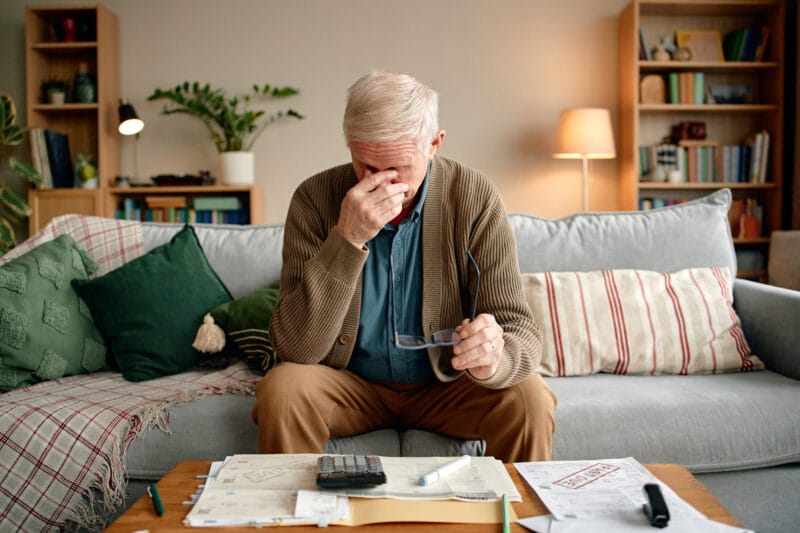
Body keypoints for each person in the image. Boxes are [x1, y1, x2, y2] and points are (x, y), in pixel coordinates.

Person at [251, 71, 556, 462]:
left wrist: (495, 357)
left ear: (434, 144)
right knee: (283, 389)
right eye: (366, 167)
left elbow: (520, 330)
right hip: (350, 387)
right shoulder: (313, 199)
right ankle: (292, 523)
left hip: (448, 387)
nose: (382, 184)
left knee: (530, 398)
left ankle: (517, 522)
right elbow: (295, 348)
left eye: (398, 167)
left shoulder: (474, 196)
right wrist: (347, 238)